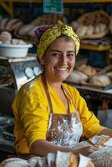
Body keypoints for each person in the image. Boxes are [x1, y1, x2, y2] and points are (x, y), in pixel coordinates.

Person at [12, 21, 112, 157]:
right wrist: (75, 153)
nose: (64, 62)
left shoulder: (71, 93)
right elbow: (36, 145)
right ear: (42, 58)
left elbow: (93, 128)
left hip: (64, 164)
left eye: (70, 55)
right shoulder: (33, 92)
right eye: (56, 54)